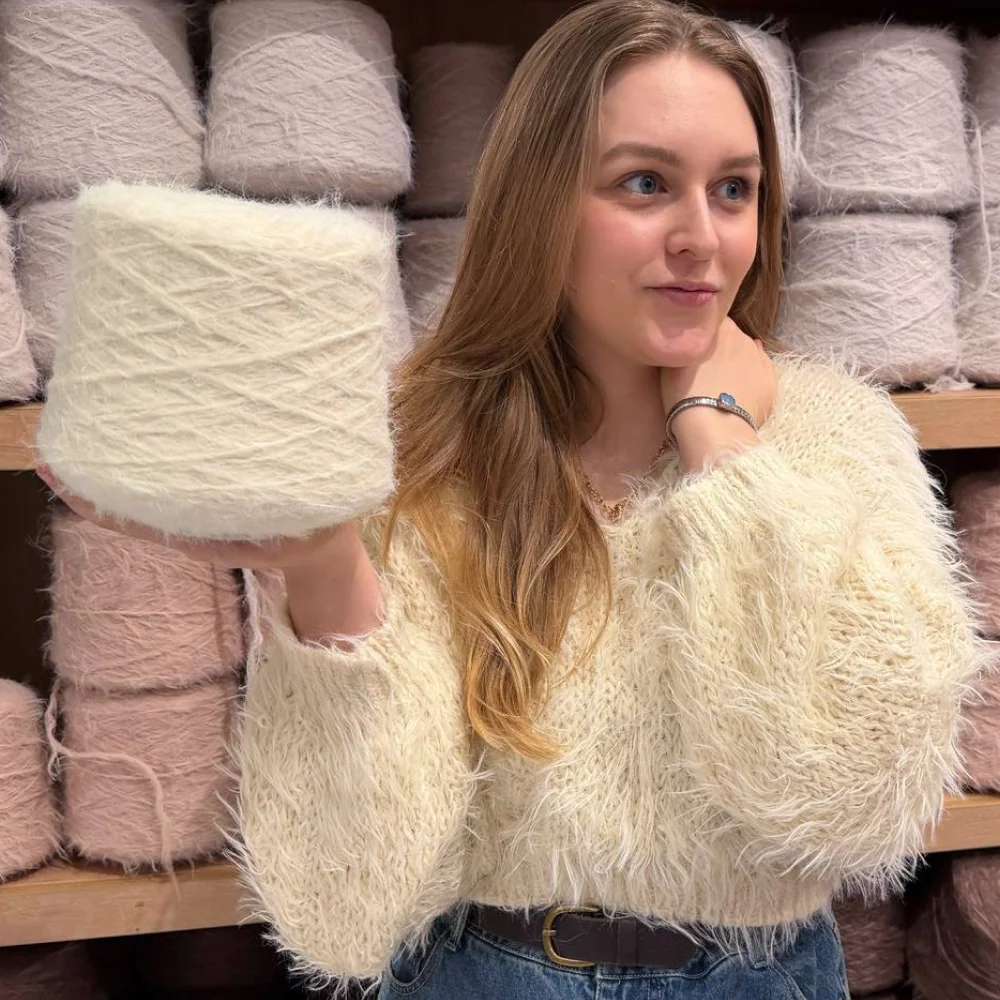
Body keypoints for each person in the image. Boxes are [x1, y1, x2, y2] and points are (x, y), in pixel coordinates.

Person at [39, 1, 990, 998]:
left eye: (734, 190)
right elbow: (348, 902)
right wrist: (328, 575)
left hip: (758, 976)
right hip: (481, 973)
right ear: (538, 201)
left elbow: (845, 807)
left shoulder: (835, 438)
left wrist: (724, 456)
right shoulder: (417, 446)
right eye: (644, 183)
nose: (701, 238)